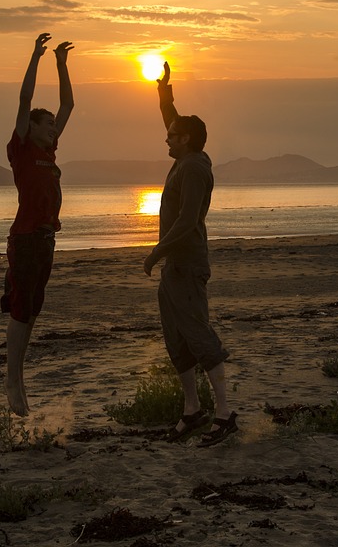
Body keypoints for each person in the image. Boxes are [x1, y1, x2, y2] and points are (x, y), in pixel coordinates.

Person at [143, 62, 237, 446]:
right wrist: (164, 92)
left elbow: (187, 220)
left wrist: (155, 251)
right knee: (176, 340)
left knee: (199, 336)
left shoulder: (195, 168)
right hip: (174, 267)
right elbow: (172, 119)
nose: (165, 140)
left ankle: (225, 413)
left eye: (171, 137)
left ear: (186, 140)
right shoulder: (185, 157)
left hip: (187, 264)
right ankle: (192, 411)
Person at [1, 33, 74, 416]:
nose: (53, 129)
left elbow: (69, 104)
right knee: (19, 309)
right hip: (27, 239)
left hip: (46, 241)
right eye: (47, 125)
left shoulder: (48, 151)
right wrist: (35, 57)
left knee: (32, 311)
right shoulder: (23, 148)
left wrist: (62, 65)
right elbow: (25, 100)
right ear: (32, 128)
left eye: (53, 126)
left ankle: (19, 376)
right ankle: (12, 380)